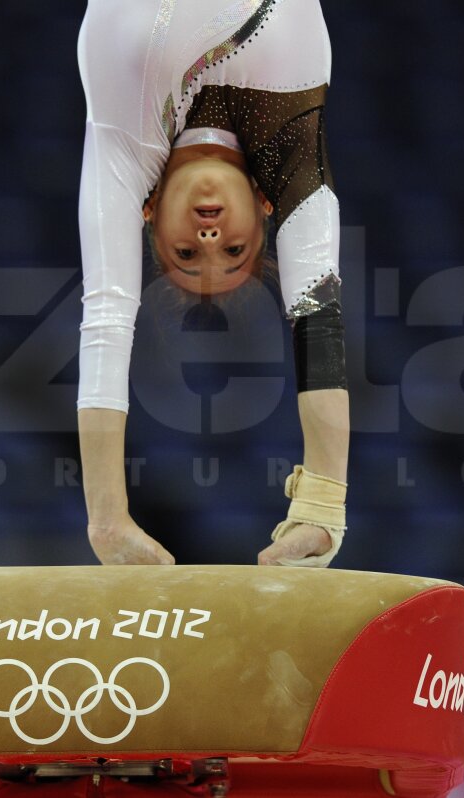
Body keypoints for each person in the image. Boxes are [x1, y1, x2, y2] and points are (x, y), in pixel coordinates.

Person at [75, 0, 350, 566]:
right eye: (233, 251)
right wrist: (323, 508)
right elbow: (318, 316)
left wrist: (107, 518)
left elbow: (106, 315)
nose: (208, 238)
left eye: (184, 253)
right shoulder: (294, 147)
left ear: (148, 211)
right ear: (266, 205)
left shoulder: (121, 149)